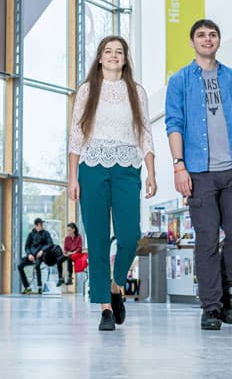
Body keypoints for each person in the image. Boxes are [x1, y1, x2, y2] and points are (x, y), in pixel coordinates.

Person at [165, 19, 232, 331]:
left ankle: (223, 290)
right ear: (192, 42)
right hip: (198, 172)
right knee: (206, 239)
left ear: (219, 40)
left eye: (213, 34)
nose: (208, 39)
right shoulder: (180, 81)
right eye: (202, 35)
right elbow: (174, 124)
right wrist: (179, 165)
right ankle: (210, 306)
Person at [68, 35, 156, 331]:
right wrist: (72, 178)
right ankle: (105, 307)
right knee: (97, 239)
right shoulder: (87, 90)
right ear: (100, 57)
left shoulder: (137, 91)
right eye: (108, 51)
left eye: (119, 52)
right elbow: (76, 135)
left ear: (125, 58)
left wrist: (152, 171)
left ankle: (117, 285)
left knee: (131, 235)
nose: (114, 55)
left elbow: (145, 132)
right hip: (91, 168)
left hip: (127, 168)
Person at [17, 218, 54, 294]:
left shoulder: (46, 233)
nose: (42, 226)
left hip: (40, 256)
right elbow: (27, 246)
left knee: (37, 266)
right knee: (20, 266)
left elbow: (50, 244)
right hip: (31, 256)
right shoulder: (31, 235)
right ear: (36, 225)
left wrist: (42, 250)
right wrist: (29, 254)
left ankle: (39, 287)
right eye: (40, 224)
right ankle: (27, 287)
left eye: (42, 224)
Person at [56, 222, 83, 286]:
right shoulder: (66, 238)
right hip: (69, 254)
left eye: (69, 230)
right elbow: (65, 249)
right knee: (59, 260)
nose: (68, 231)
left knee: (69, 258)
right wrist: (65, 253)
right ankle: (60, 278)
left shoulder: (79, 237)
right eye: (67, 230)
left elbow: (79, 248)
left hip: (76, 253)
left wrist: (72, 253)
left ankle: (69, 278)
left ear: (74, 230)